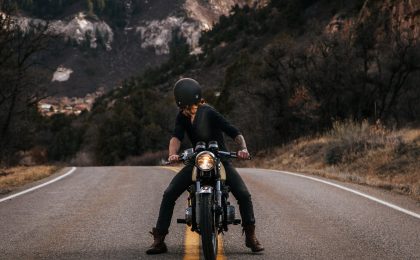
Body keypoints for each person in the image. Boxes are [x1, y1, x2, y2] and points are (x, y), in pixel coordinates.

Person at [146, 78, 264, 254]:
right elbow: (176, 137)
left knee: (244, 195)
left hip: (220, 158)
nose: (187, 106)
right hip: (197, 158)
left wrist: (243, 149)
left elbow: (233, 131)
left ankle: (251, 237)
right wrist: (172, 153)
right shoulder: (183, 117)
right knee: (169, 193)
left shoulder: (208, 111)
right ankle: (159, 239)